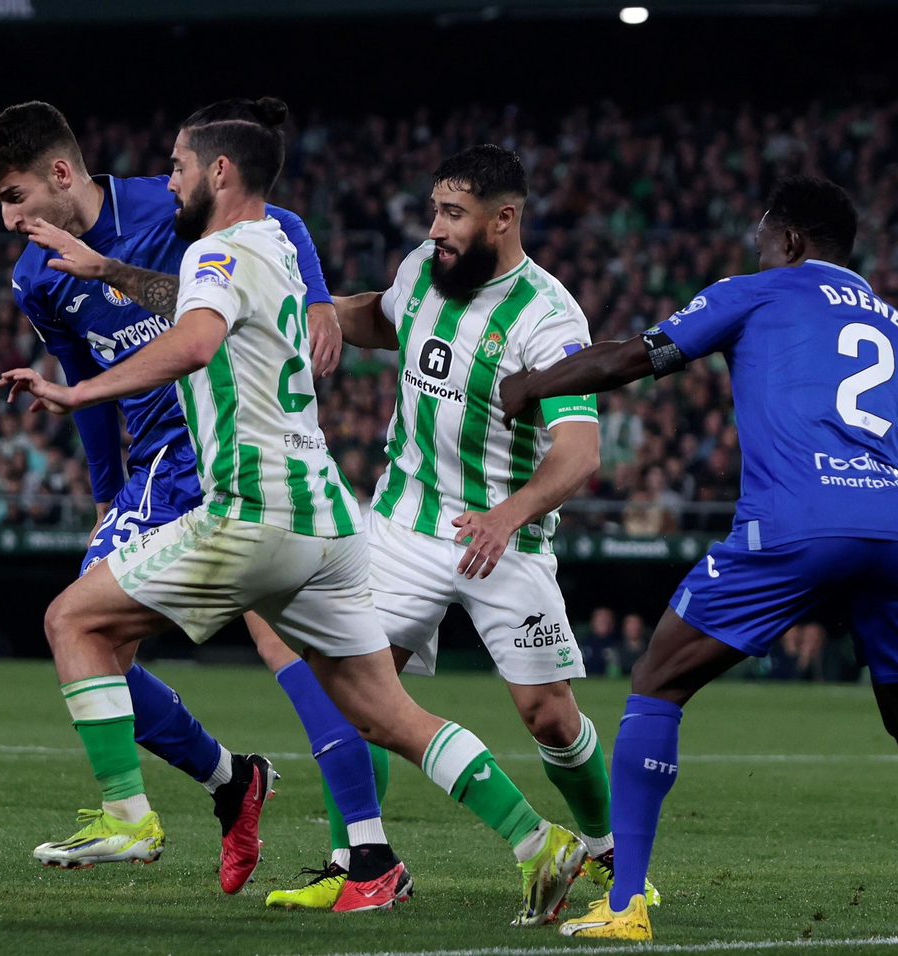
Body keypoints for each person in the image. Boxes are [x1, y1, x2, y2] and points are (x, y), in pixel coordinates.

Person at [0, 98, 585, 922]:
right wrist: (106, 273)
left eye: (178, 166)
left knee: (72, 622)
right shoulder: (273, 243)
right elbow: (194, 306)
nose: (169, 182)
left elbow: (195, 340)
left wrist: (77, 392)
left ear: (220, 171)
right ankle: (539, 842)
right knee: (388, 714)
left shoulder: (214, 254)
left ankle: (128, 815)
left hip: (252, 514)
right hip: (330, 522)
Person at [501, 175, 898, 946]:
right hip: (894, 527)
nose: (759, 253)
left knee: (658, 681)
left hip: (793, 519)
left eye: (764, 241)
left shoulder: (754, 293)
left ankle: (626, 903)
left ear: (792, 241)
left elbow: (631, 359)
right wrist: (859, 541)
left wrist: (531, 386)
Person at [0, 100, 374, 895]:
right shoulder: (35, 278)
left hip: (216, 446)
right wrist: (104, 496)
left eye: (15, 197)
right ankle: (250, 791)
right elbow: (85, 380)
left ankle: (302, 830)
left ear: (61, 173)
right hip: (154, 465)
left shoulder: (165, 202)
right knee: (102, 642)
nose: (9, 219)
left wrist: (320, 299)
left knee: (93, 629)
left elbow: (279, 220)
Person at [288, 144, 649, 911]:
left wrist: (508, 515)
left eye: (453, 213)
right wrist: (317, 311)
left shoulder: (549, 317)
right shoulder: (425, 268)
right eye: (435, 210)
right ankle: (361, 861)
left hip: (504, 540)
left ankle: (607, 852)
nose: (435, 227)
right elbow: (382, 317)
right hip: (403, 525)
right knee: (353, 687)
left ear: (504, 218)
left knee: (549, 717)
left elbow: (579, 452)